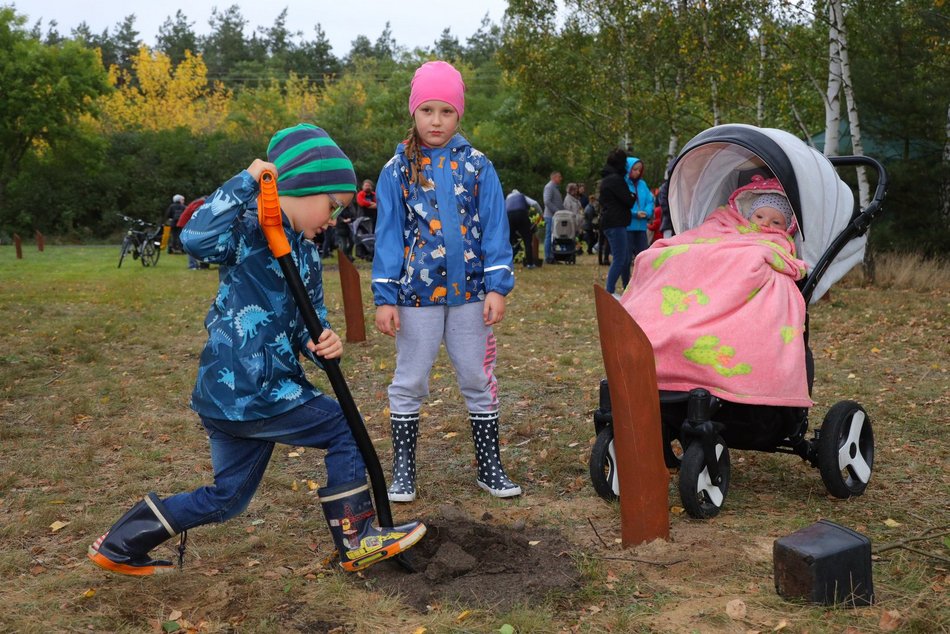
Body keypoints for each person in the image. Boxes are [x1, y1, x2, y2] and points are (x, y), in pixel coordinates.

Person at [87, 123, 425, 577]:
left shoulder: (304, 253)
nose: (334, 219)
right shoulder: (247, 231)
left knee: (227, 498)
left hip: (243, 399)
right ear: (301, 188)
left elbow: (311, 319)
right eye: (332, 206)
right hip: (251, 389)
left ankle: (121, 543)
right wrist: (247, 181)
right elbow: (195, 238)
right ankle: (356, 538)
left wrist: (319, 339)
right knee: (342, 425)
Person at [372, 60, 520, 503]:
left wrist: (497, 286)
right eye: (427, 111)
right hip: (416, 297)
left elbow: (495, 227)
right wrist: (385, 297)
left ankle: (490, 468)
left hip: (473, 295)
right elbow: (388, 237)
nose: (436, 121)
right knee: (410, 379)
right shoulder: (396, 170)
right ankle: (403, 472)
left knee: (477, 376)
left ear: (459, 115)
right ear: (414, 112)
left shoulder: (478, 166)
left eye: (446, 112)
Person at [598, 149, 636, 297]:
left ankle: (627, 288)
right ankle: (610, 291)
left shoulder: (607, 179)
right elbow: (628, 200)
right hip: (616, 222)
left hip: (613, 221)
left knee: (625, 257)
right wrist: (632, 194)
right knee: (620, 258)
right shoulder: (616, 180)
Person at [624, 157, 654, 281]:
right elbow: (622, 204)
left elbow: (650, 200)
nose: (637, 172)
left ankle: (643, 282)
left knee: (643, 256)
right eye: (634, 169)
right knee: (625, 258)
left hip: (641, 226)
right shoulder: (623, 184)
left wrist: (647, 212)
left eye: (639, 170)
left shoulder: (643, 184)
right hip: (628, 225)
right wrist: (635, 213)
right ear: (628, 169)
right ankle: (626, 283)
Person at [505, 188, 540, 268]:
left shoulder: (507, 198)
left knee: (509, 241)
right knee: (527, 239)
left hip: (509, 216)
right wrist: (540, 214)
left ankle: (507, 263)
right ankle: (530, 264)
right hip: (521, 214)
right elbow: (535, 203)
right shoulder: (522, 196)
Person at [177, 196, 207, 269]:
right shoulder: (201, 202)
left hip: (188, 224)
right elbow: (196, 212)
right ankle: (192, 265)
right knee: (191, 245)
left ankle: (195, 265)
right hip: (187, 225)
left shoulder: (199, 202)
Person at [542, 171, 563, 264]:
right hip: (550, 216)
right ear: (554, 178)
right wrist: (557, 211)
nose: (561, 178)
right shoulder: (549, 187)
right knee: (549, 236)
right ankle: (548, 257)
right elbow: (547, 201)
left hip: (555, 217)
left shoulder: (555, 188)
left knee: (553, 237)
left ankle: (552, 256)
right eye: (559, 177)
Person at [563, 182, 584, 252]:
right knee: (570, 238)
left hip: (577, 223)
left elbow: (580, 209)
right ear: (571, 190)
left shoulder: (576, 199)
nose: (576, 191)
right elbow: (568, 213)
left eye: (576, 189)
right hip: (571, 224)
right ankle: (569, 252)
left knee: (576, 238)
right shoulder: (567, 200)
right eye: (575, 189)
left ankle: (575, 251)